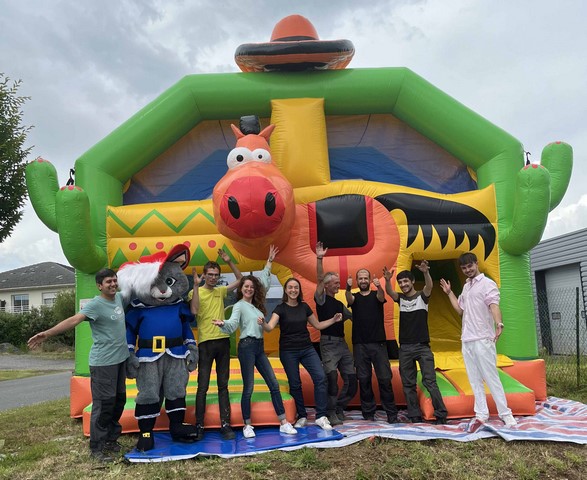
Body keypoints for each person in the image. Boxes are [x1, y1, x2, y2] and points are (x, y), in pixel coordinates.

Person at [27, 268, 129, 463]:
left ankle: (110, 440)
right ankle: (97, 449)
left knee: (119, 401)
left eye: (115, 281)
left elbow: (141, 287)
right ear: (100, 285)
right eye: (109, 282)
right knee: (104, 404)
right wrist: (47, 334)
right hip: (103, 363)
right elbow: (74, 320)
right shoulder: (95, 305)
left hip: (120, 359)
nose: (113, 284)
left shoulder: (119, 298)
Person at [213, 274, 297, 438]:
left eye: (251, 287)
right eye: (246, 286)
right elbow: (232, 324)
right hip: (246, 347)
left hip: (259, 347)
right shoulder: (239, 306)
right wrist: (223, 324)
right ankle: (247, 425)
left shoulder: (258, 308)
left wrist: (269, 265)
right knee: (249, 387)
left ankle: (283, 422)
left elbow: (264, 284)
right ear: (241, 289)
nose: (249, 289)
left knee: (273, 384)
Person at [439, 252, 517, 428]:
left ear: (476, 263)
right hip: (467, 339)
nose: (467, 270)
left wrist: (499, 323)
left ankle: (506, 414)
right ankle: (481, 414)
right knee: (474, 379)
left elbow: (494, 305)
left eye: (470, 266)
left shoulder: (487, 284)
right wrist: (450, 293)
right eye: (464, 268)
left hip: (483, 338)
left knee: (491, 377)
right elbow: (460, 310)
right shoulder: (467, 287)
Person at [261, 277, 343, 430]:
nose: (293, 290)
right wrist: (262, 323)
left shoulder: (304, 307)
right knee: (295, 384)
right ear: (285, 290)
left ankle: (321, 416)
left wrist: (333, 320)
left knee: (320, 377)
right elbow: (270, 327)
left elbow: (317, 325)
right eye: (290, 287)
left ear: (299, 291)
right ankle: (302, 415)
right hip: (288, 351)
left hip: (307, 349)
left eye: (296, 288)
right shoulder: (280, 308)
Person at [384, 261, 448, 424]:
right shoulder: (401, 299)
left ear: (412, 282)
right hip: (405, 348)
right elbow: (390, 292)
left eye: (406, 281)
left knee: (430, 381)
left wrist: (426, 272)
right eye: (400, 282)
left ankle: (441, 414)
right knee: (408, 383)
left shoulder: (422, 296)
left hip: (422, 347)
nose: (403, 284)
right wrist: (387, 280)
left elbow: (428, 286)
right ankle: (414, 415)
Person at [188, 248, 243, 440]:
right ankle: (199, 425)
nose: (213, 278)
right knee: (202, 386)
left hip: (222, 342)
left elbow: (240, 279)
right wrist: (195, 286)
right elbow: (194, 311)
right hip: (205, 343)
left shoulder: (220, 290)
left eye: (216, 275)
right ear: (204, 275)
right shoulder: (196, 291)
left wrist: (229, 261)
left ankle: (225, 424)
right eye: (210, 275)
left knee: (223, 385)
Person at [346, 269, 398, 423]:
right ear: (357, 280)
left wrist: (379, 286)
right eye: (360, 278)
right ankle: (368, 413)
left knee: (385, 379)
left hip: (379, 344)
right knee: (364, 379)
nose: (363, 280)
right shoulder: (354, 297)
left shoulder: (376, 295)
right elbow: (348, 299)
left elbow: (382, 297)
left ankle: (391, 413)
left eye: (365, 278)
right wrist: (348, 288)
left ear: (369, 280)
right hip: (360, 345)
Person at [315, 242, 357, 426]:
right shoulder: (321, 299)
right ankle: (330, 412)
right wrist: (320, 258)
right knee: (332, 379)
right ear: (327, 285)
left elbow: (357, 318)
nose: (338, 284)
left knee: (352, 380)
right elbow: (318, 279)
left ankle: (339, 407)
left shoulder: (339, 304)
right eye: (335, 282)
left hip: (342, 344)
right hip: (328, 344)